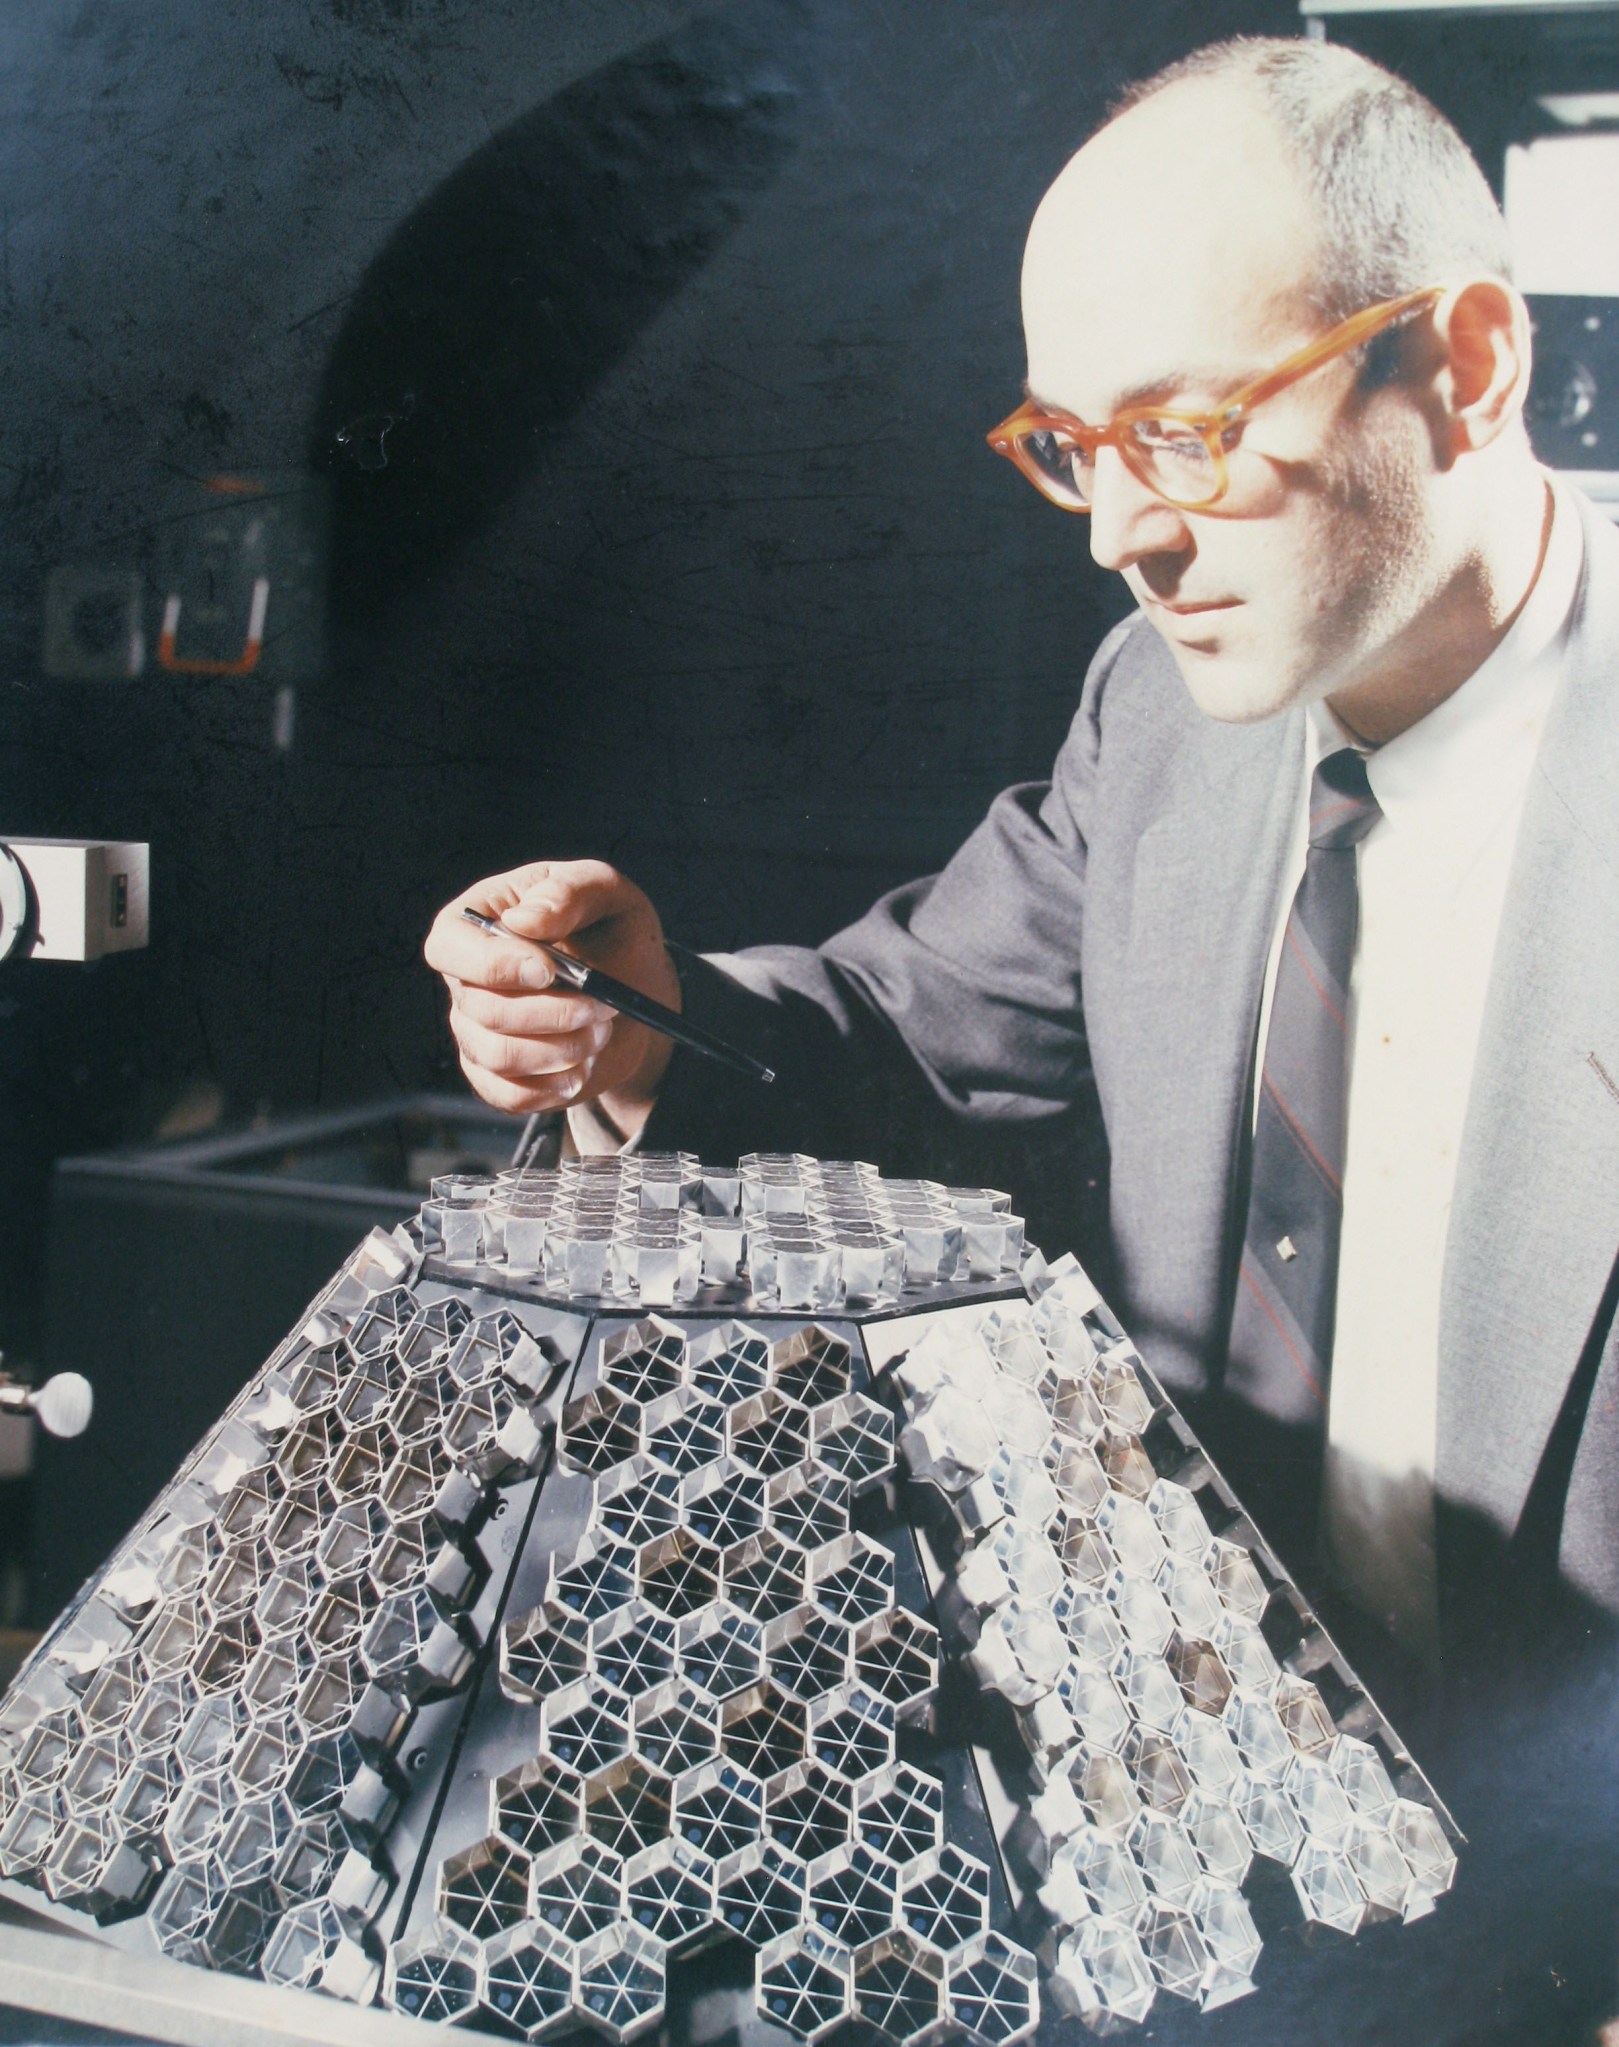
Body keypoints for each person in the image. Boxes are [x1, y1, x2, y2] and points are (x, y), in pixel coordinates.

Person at [427, 39, 1618, 2040]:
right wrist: (638, 1015)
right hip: (1230, 1900)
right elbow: (916, 1030)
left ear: (1473, 367)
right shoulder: (1158, 718)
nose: (1117, 538)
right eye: (1077, 446)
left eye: (1188, 430)